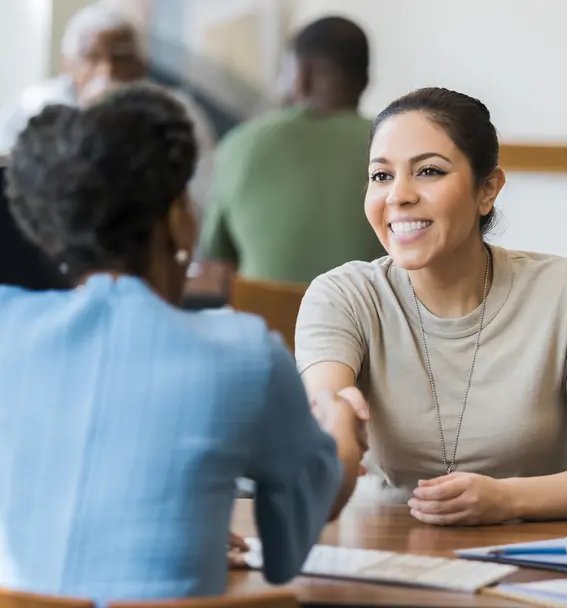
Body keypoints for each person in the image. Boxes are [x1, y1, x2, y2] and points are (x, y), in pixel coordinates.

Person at [0, 84, 366, 602]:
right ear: (176, 219)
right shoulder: (244, 355)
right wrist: (342, 429)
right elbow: (293, 541)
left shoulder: (7, 326)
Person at [295, 87, 567, 526]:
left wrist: (506, 499)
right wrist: (336, 422)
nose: (398, 196)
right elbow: (328, 409)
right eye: (381, 176)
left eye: (428, 171)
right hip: (382, 549)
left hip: (529, 557)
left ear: (488, 190)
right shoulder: (342, 295)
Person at [199, 16, 385, 282]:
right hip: (363, 321)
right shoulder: (393, 147)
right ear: (365, 79)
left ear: (300, 77)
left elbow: (217, 263)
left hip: (266, 319)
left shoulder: (242, 144)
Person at [0, 1, 216, 220]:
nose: (107, 70)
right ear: (67, 65)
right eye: (91, 57)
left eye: (121, 58)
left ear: (143, 64)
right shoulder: (34, 108)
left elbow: (204, 196)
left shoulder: (176, 114)